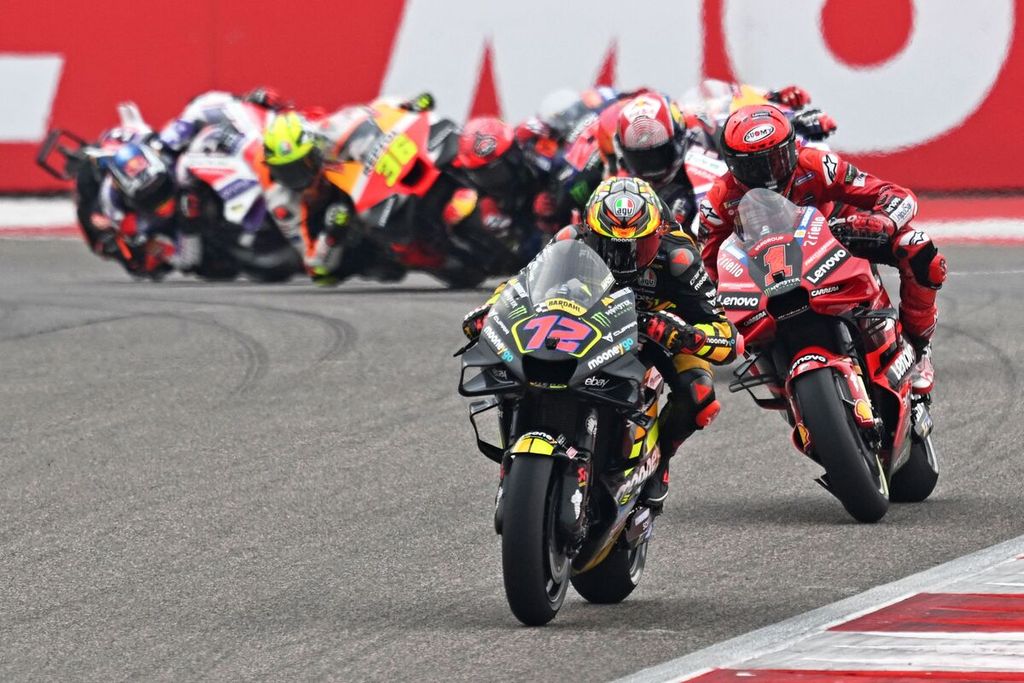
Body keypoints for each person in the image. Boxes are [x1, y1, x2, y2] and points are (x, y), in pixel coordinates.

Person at [461, 177, 740, 512]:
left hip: (653, 333)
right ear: (591, 232)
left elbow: (726, 335)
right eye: (612, 245)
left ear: (657, 233)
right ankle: (515, 454)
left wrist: (682, 332)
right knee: (518, 364)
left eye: (638, 245)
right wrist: (490, 311)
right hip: (583, 325)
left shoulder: (678, 257)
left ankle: (659, 461)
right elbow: (520, 285)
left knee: (700, 396)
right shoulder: (570, 240)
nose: (624, 258)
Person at [698, 104, 945, 393]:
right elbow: (709, 266)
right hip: (769, 272)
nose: (768, 174)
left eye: (777, 159)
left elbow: (897, 196)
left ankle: (918, 348)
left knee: (918, 249)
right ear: (732, 165)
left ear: (792, 148)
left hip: (837, 242)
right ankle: (776, 371)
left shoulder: (817, 165)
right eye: (754, 165)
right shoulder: (718, 202)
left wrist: (882, 222)